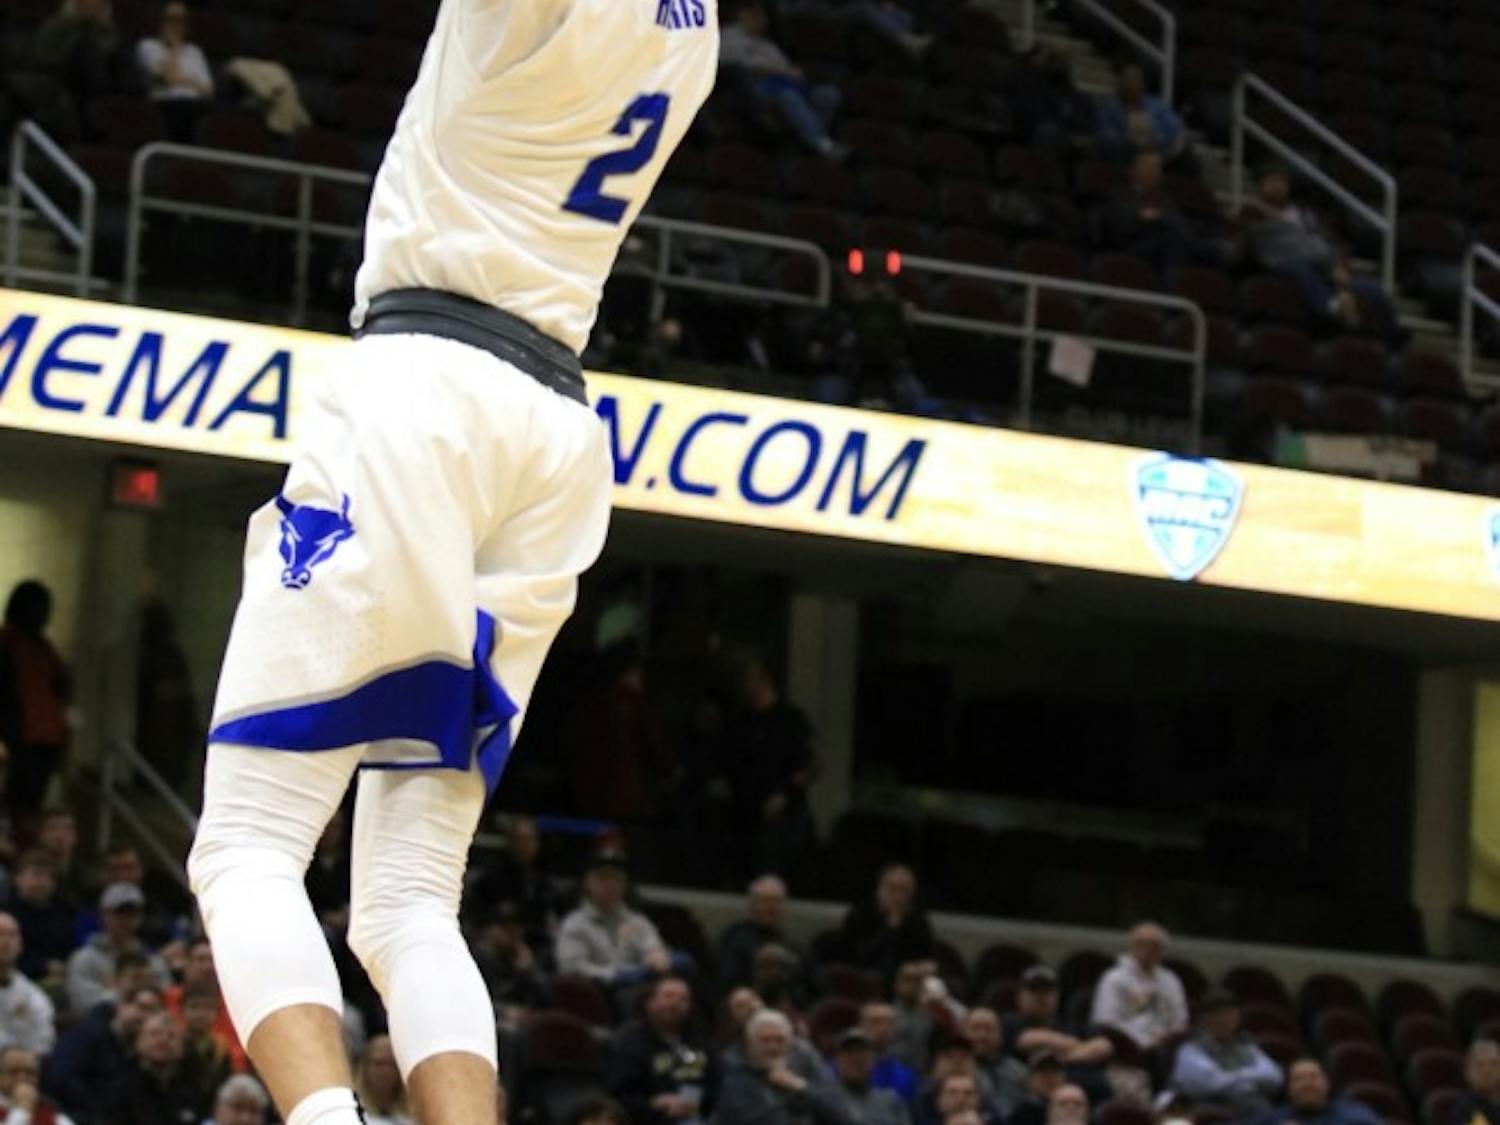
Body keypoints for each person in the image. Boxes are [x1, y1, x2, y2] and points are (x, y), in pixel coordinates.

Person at [184, 0, 718, 1119]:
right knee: (408, 899)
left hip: (427, 387)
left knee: (249, 844)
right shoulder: (697, 27)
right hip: (553, 429)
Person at [1240, 164, 1401, 339]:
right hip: (1284, 263)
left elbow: (1328, 242)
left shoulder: (1305, 214)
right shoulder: (1252, 211)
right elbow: (1251, 246)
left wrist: (1339, 266)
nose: (1277, 186)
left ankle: (1392, 334)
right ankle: (1333, 308)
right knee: (1300, 270)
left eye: (1281, 181)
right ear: (1261, 184)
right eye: (1272, 181)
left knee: (1370, 287)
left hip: (1322, 265)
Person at [719, 653, 819, 883]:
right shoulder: (740, 722)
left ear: (765, 679)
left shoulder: (790, 719)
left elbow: (811, 764)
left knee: (774, 876)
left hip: (782, 819)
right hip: (744, 817)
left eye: (749, 677)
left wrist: (784, 794)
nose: (744, 683)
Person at [719, 1, 847, 160]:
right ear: (741, 15)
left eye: (762, 16)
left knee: (829, 95)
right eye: (753, 14)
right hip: (756, 87)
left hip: (786, 83)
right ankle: (823, 144)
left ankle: (807, 140)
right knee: (789, 95)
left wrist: (794, 72)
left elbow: (786, 66)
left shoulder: (767, 44)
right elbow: (739, 66)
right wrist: (780, 71)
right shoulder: (729, 36)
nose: (759, 19)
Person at [555, 852, 674, 993]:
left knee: (681, 965)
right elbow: (572, 969)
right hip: (600, 991)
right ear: (587, 882)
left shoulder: (637, 921)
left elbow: (653, 948)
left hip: (642, 988)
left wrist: (656, 954)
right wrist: (617, 975)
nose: (611, 884)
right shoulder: (573, 925)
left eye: (617, 878)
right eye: (602, 877)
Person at [0, 582, 70, 819]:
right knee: (18, 802)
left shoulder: (43, 646)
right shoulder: (9, 642)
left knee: (31, 803)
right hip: (22, 737)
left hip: (44, 736)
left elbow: (61, 685)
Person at [607, 976, 717, 1125]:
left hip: (696, 1115)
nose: (675, 1003)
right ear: (650, 1003)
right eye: (668, 996)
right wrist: (653, 1103)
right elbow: (619, 1095)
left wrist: (693, 1101)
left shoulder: (699, 1043)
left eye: (683, 999)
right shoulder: (629, 1042)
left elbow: (713, 1084)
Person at [44, 980, 161, 1120]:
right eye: (141, 1007)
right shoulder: (87, 1035)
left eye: (152, 1012)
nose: (145, 1017)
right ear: (122, 1006)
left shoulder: (139, 1055)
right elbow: (61, 1078)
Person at [718, 1010, 854, 1125]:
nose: (772, 1047)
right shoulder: (736, 1079)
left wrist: (800, 1087)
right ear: (750, 1045)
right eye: (765, 1040)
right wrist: (781, 1088)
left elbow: (842, 1115)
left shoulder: (805, 1069)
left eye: (779, 1040)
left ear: (790, 1045)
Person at [1169, 989, 1282, 1120]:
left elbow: (1274, 1076)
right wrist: (1252, 1077)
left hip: (1250, 1105)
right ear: (1205, 1019)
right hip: (1208, 1109)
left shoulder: (1246, 1046)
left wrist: (1236, 1077)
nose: (1225, 1020)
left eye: (1230, 1013)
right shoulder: (1190, 1050)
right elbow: (1211, 1083)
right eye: (1218, 1015)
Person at [65, 883, 171, 1017]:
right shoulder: (84, 959)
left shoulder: (153, 961)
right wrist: (124, 992)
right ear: (104, 914)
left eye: (132, 913)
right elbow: (82, 1004)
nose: (126, 920)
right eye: (120, 913)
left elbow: (168, 999)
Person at [102, 1010, 213, 1125]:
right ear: (138, 1041)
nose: (163, 1040)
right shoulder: (118, 1086)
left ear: (182, 1047)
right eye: (154, 1034)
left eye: (171, 1036)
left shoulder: (195, 1088)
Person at [1090, 923, 1188, 1051]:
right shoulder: (1114, 978)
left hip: (1164, 1046)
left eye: (1155, 946)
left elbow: (1180, 1020)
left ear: (1163, 951)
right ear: (1132, 947)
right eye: (1142, 944)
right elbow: (1106, 1021)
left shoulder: (1171, 980)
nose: (1148, 950)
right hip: (1124, 1045)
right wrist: (1143, 1041)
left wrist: (1166, 1037)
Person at [719, 876, 814, 993]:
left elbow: (813, 987)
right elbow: (729, 985)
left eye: (777, 901)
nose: (771, 907)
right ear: (752, 906)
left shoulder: (797, 946)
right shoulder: (735, 940)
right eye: (765, 901)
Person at [838, 867, 935, 981]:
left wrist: (922, 967)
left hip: (910, 978)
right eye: (893, 889)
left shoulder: (916, 919)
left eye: (905, 891)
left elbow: (927, 954)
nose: (898, 896)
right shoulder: (861, 913)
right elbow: (857, 955)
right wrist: (889, 929)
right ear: (880, 889)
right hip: (863, 976)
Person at [135, 1, 213, 141]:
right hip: (166, 107)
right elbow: (167, 78)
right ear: (161, 21)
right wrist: (175, 47)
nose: (176, 25)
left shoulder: (194, 51)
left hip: (196, 109)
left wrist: (179, 80)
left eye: (181, 20)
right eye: (171, 19)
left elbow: (208, 90)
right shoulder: (148, 46)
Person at [1095, 61, 1189, 167]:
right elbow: (1106, 139)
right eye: (1128, 79)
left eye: (1136, 78)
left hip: (1160, 155)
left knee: (1185, 152)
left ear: (1142, 83)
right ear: (1120, 82)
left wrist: (1156, 141)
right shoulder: (1109, 108)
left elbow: (1177, 129)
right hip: (1126, 158)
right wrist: (1132, 142)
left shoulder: (1156, 105)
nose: (1132, 83)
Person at [469, 901, 549, 1021]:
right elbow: (472, 1001)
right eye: (506, 928)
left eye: (517, 928)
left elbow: (546, 999)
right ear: (489, 930)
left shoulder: (522, 955)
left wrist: (528, 970)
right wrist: (503, 1012)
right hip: (491, 1018)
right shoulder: (477, 959)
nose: (513, 934)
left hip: (525, 1017)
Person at [7, 850, 77, 984]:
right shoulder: (6, 915)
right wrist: (43, 966)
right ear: (18, 878)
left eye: (50, 877)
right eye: (37, 875)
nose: (44, 883)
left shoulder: (63, 914)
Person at [891, 959, 965, 1074]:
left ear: (922, 985)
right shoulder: (886, 1015)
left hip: (923, 1074)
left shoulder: (933, 1016)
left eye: (917, 980)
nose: (911, 985)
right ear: (897, 983)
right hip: (892, 1074)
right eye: (907, 979)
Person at [1257, 1059, 1383, 1125]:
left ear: (1327, 1083)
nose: (1307, 1084)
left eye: (1314, 1077)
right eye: (1298, 1079)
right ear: (1288, 1088)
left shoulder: (1357, 1115)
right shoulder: (1273, 1119)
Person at [0, 911, 56, 1056]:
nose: (5, 941)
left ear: (20, 945)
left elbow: (44, 1040)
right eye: (0, 934)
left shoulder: (34, 996)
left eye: (12, 935)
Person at [831, 1029, 911, 1125]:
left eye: (862, 1053)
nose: (855, 1059)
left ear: (873, 1060)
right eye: (849, 1053)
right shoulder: (827, 1102)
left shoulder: (891, 1101)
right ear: (838, 1061)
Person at [965, 1009, 1028, 1119]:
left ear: (1001, 1034)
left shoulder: (1019, 1071)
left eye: (989, 1029)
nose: (982, 1036)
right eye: (975, 1029)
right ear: (964, 1033)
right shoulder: (954, 1070)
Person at [859, 1002, 920, 1104]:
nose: (883, 1029)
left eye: (889, 1023)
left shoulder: (907, 1076)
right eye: (875, 1022)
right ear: (861, 1026)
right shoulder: (841, 1070)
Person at [0, 1045, 76, 1125]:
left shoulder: (53, 1116)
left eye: (30, 1072)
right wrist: (22, 1110)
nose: (22, 1078)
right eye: (13, 1071)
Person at [354, 1037, 413, 1125]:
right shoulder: (351, 1113)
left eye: (392, 1065)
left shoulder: (412, 1117)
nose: (385, 1072)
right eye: (379, 1063)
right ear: (365, 1068)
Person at [1004, 1053, 1066, 1125]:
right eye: (1042, 1072)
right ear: (1030, 1079)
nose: (1049, 1078)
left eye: (1054, 1071)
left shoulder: (1072, 1109)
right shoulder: (1020, 1116)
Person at [1448, 1040, 1500, 1125]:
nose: (1487, 1071)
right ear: (1467, 1071)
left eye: (1494, 1064)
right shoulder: (1464, 1108)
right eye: (1479, 1065)